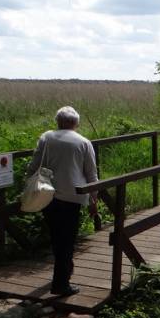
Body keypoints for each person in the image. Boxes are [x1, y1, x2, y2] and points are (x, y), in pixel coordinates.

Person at [26, 106, 97, 297]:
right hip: (73, 197)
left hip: (47, 195)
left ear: (58, 121)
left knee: (57, 237)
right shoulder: (84, 142)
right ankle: (61, 284)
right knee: (67, 240)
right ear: (76, 123)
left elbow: (34, 166)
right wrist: (94, 200)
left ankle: (64, 271)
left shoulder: (46, 138)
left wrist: (28, 186)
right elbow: (91, 175)